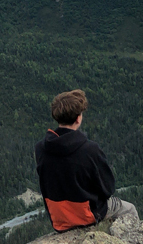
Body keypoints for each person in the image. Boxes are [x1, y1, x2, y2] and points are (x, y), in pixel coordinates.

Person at [35, 89, 135, 231]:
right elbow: (108, 189)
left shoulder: (41, 148)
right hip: (86, 214)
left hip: (59, 219)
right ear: (78, 118)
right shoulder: (90, 149)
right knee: (129, 209)